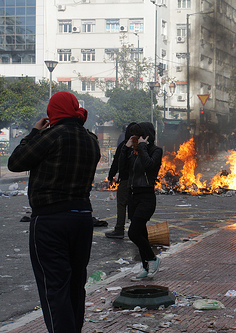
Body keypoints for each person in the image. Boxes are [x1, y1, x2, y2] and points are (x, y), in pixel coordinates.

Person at [8, 91, 101, 333]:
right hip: (82, 218)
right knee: (75, 285)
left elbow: (16, 162)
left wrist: (34, 132)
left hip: (50, 221)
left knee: (55, 287)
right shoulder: (91, 139)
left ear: (53, 112)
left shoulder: (51, 136)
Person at [119, 122, 163, 281]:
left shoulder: (156, 150)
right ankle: (145, 266)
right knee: (141, 232)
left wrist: (143, 147)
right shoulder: (134, 152)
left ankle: (153, 259)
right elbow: (123, 170)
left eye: (139, 136)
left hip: (146, 196)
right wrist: (126, 148)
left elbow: (150, 166)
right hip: (133, 196)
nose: (136, 139)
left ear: (147, 136)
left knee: (133, 232)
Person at [105, 123, 137, 239]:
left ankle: (119, 230)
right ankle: (137, 230)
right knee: (135, 205)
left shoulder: (124, 146)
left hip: (125, 180)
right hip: (138, 182)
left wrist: (111, 176)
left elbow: (116, 163)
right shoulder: (142, 146)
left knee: (122, 204)